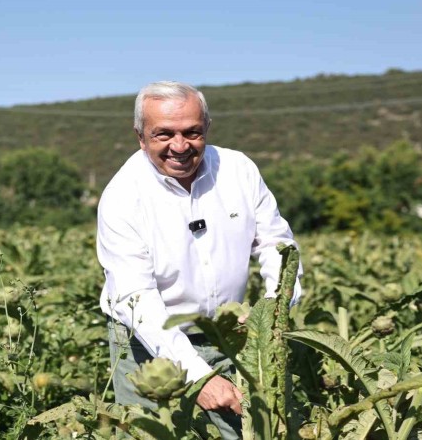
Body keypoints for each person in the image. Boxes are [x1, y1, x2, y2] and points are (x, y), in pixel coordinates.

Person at [97, 81, 302, 439]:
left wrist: (272, 315)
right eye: (163, 134)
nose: (179, 146)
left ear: (206, 128)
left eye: (192, 132)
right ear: (140, 137)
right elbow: (137, 299)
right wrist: (198, 375)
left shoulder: (238, 170)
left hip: (230, 337)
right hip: (148, 346)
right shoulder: (122, 198)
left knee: (252, 432)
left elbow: (277, 245)